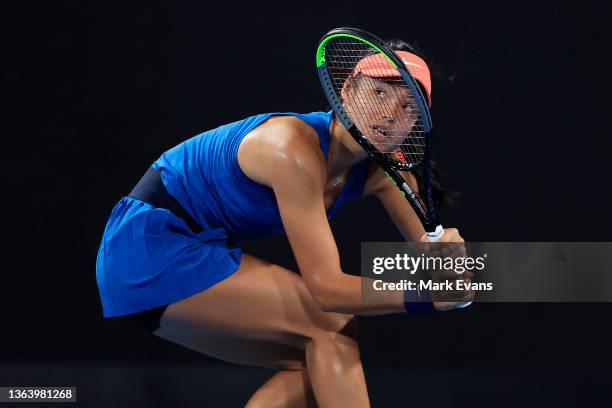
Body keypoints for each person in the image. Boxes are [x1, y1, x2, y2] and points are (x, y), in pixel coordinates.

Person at [96, 39, 472, 407]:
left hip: (180, 254)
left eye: (409, 106)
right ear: (347, 90)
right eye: (379, 93)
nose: (391, 114)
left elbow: (452, 278)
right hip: (147, 246)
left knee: (314, 363)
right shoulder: (291, 149)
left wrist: (452, 263)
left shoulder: (387, 172)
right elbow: (327, 290)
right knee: (332, 326)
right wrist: (422, 297)